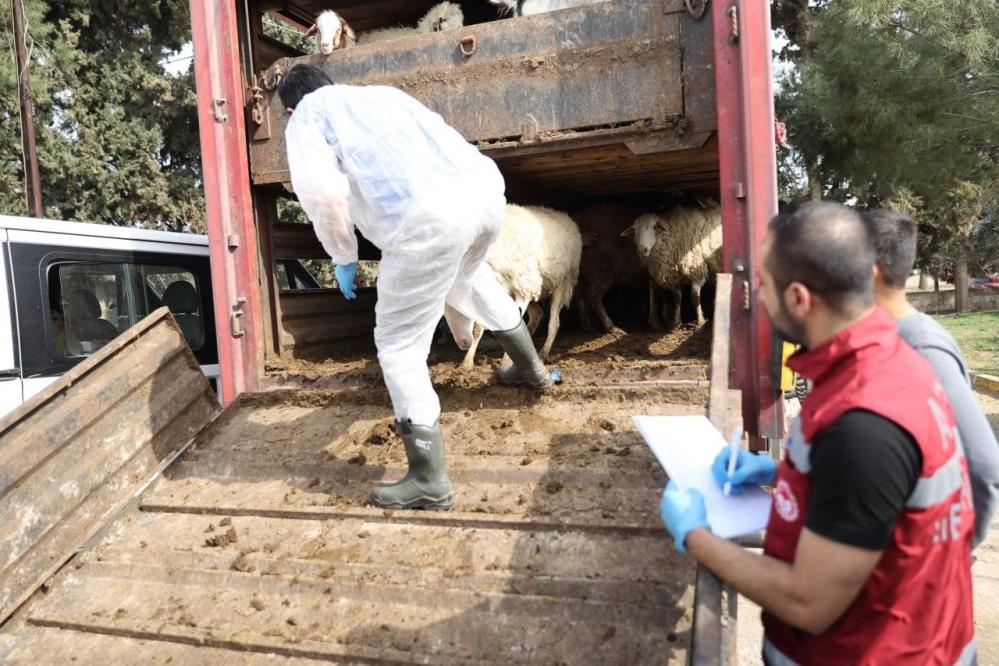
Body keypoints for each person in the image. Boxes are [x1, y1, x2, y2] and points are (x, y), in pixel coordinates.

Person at [659, 202, 976, 664]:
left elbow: (808, 603)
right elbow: (874, 491)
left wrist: (696, 536)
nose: (759, 300)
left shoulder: (864, 424)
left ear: (799, 300)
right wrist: (778, 470)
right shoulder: (887, 360)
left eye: (764, 287)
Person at [278, 64, 556, 511]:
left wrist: (343, 257)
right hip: (484, 195)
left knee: (398, 345)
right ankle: (532, 371)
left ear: (289, 109)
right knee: (470, 278)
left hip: (428, 218)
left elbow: (325, 196)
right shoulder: (381, 93)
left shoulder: (306, 117)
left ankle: (428, 478)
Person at [864, 208, 999, 548]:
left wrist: (950, 557)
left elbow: (982, 468)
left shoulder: (919, 345)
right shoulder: (885, 339)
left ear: (869, 271)